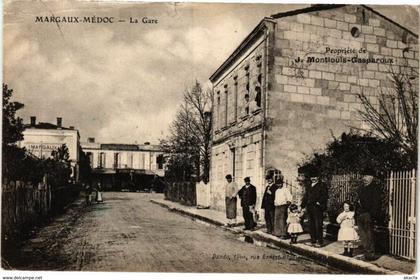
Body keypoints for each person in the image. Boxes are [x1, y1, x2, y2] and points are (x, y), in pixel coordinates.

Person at [356, 172, 379, 260]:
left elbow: (376, 203)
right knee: (363, 236)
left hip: (368, 214)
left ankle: (370, 255)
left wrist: (371, 215)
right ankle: (366, 253)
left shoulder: (375, 188)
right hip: (360, 214)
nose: (364, 178)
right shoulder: (361, 187)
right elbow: (358, 201)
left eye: (366, 176)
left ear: (371, 177)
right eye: (363, 176)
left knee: (369, 235)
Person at [301, 174, 328, 247]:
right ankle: (313, 240)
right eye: (312, 177)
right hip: (309, 207)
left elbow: (325, 196)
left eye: (315, 177)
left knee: (318, 225)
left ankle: (320, 242)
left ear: (318, 177)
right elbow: (306, 196)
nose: (313, 178)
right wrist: (302, 205)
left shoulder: (322, 185)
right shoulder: (309, 185)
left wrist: (319, 202)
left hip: (317, 207)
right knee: (311, 224)